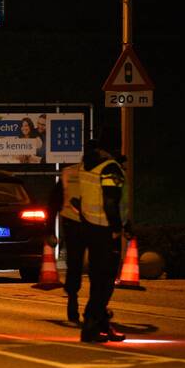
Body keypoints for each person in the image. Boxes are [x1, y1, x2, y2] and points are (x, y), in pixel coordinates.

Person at [77, 132, 126, 342]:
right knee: (105, 282)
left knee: (98, 280)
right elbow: (110, 202)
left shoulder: (87, 166)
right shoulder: (110, 168)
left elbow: (80, 200)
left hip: (90, 228)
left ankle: (101, 322)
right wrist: (117, 228)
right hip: (105, 231)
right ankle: (91, 324)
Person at [47, 160, 84, 323]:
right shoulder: (106, 170)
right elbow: (54, 202)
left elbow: (53, 203)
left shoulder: (70, 172)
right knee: (81, 266)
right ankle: (78, 301)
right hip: (91, 226)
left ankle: (75, 299)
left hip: (74, 225)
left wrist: (49, 230)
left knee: (75, 265)